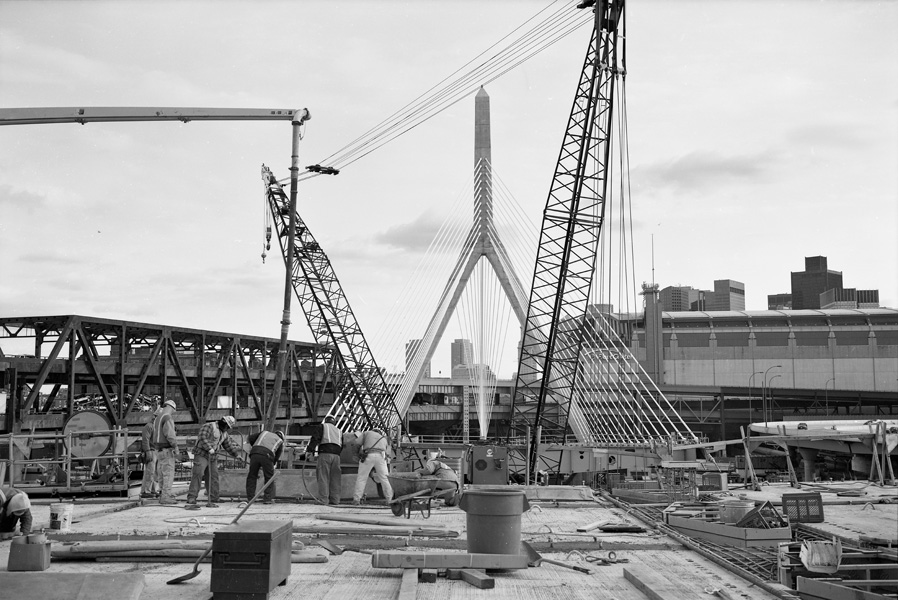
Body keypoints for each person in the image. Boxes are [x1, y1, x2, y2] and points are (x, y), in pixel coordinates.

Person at [185, 415, 244, 509]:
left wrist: (236, 455)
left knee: (214, 477)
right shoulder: (209, 426)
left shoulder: (224, 434)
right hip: (201, 454)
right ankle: (192, 498)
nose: (227, 428)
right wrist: (209, 448)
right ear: (223, 423)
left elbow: (228, 446)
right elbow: (202, 437)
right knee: (198, 474)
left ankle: (214, 497)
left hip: (212, 457)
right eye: (227, 426)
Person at [307, 416, 343, 505]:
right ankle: (335, 500)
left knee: (323, 476)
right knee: (335, 478)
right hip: (337, 456)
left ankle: (323, 500)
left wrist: (309, 450)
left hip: (325, 454)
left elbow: (315, 438)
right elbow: (342, 445)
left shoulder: (322, 426)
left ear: (326, 421)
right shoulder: (339, 431)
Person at [352, 427, 393, 505]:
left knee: (362, 478)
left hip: (368, 455)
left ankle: (357, 499)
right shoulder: (384, 438)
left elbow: (356, 444)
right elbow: (388, 453)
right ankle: (389, 500)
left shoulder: (366, 433)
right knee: (384, 479)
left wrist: (356, 455)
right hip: (381, 456)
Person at [246, 429, 285, 504]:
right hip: (267, 455)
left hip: (254, 453)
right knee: (269, 477)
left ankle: (250, 498)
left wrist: (255, 448)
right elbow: (277, 455)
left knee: (252, 476)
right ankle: (267, 499)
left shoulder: (264, 433)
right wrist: (272, 463)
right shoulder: (280, 441)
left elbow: (250, 438)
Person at [153, 398, 180, 504]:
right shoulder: (167, 417)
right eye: (173, 410)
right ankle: (165, 496)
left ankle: (162, 494)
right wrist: (176, 448)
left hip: (158, 450)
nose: (173, 412)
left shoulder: (158, 418)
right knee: (168, 474)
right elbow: (170, 435)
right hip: (166, 450)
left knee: (161, 474)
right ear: (171, 407)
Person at [140, 407, 162, 499]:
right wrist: (147, 451)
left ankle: (152, 490)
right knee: (150, 472)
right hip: (151, 451)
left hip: (155, 451)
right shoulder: (149, 426)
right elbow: (145, 440)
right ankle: (146, 491)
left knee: (155, 473)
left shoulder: (156, 427)